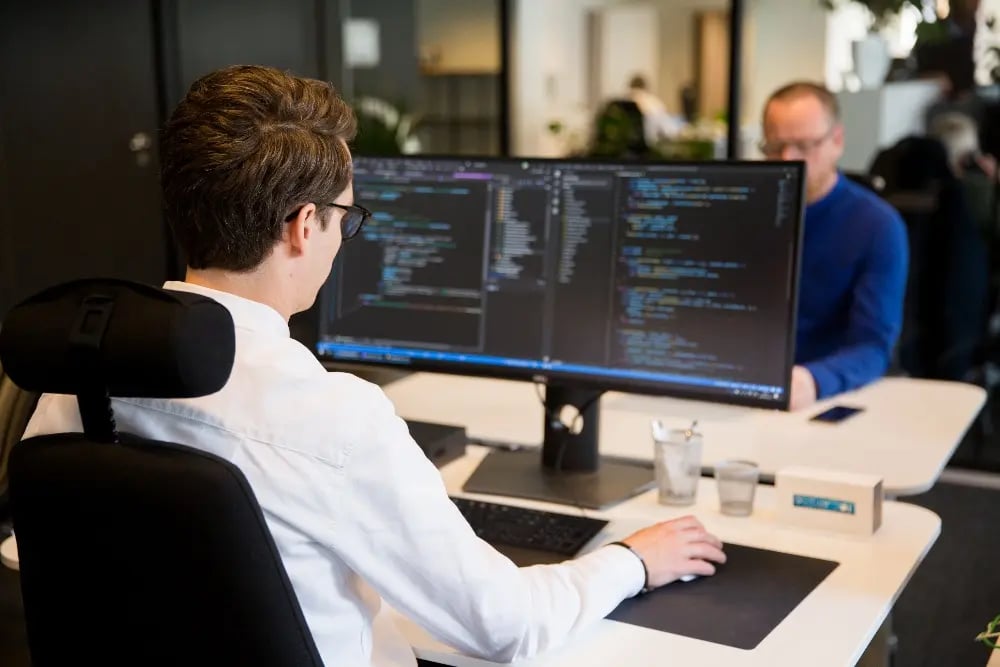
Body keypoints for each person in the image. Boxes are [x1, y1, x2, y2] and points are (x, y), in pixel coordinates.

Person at [21, 65, 726, 666]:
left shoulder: (76, 380)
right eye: (346, 219)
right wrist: (632, 560)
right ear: (304, 225)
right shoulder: (332, 419)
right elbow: (507, 626)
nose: (341, 239)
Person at [760, 81, 908, 411]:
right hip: (743, 388)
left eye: (803, 145)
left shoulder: (877, 226)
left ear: (837, 141)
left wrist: (812, 381)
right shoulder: (747, 213)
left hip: (824, 394)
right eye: (774, 146)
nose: (787, 159)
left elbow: (872, 345)